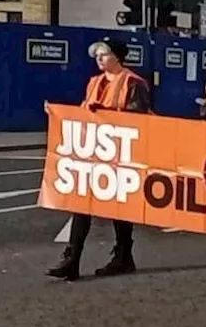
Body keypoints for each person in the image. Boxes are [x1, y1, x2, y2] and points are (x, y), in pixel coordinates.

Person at [46, 38, 151, 280]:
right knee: (81, 204)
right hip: (94, 155)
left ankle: (124, 256)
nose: (98, 58)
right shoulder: (94, 83)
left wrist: (105, 115)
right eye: (97, 55)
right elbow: (84, 114)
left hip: (122, 156)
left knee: (119, 208)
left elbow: (141, 120)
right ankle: (72, 260)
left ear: (117, 56)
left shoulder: (134, 83)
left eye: (103, 54)